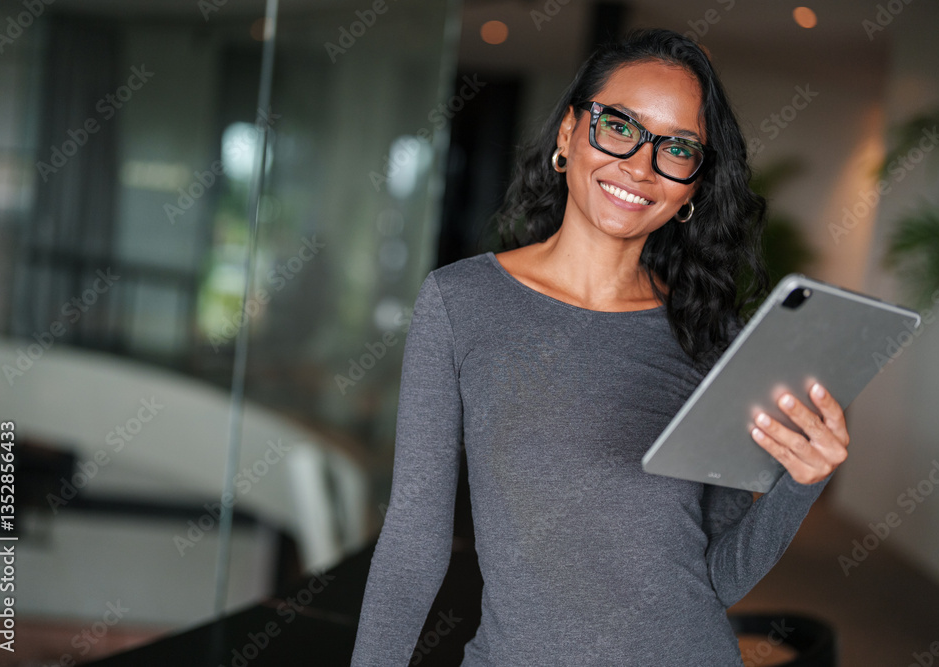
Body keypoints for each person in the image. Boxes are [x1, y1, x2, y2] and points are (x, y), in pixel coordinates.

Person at [350, 28, 850, 666]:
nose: (640, 166)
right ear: (568, 132)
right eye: (619, 126)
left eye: (677, 149)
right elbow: (412, 543)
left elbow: (713, 581)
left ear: (692, 186)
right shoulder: (462, 303)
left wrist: (802, 486)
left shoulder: (709, 332)